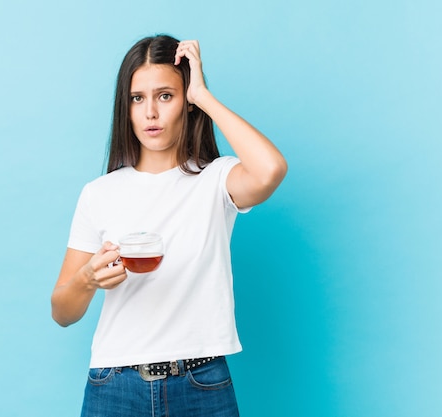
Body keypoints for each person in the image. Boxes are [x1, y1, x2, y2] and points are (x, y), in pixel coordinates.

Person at [51, 34, 287, 417]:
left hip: (201, 383)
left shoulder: (217, 180)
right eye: (137, 98)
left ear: (186, 102)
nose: (150, 113)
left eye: (166, 96)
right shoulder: (99, 193)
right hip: (114, 385)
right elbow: (62, 311)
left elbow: (271, 169)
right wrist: (88, 279)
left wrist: (204, 97)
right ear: (124, 108)